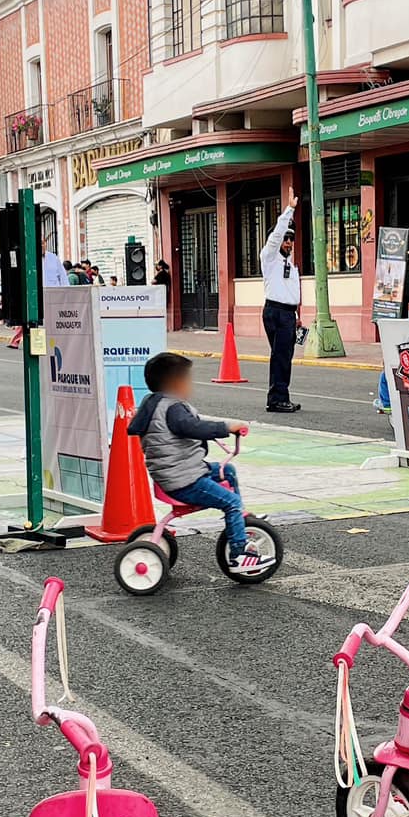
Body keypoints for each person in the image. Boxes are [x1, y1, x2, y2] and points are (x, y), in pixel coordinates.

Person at [128, 352, 263, 572]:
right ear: (176, 384)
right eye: (188, 380)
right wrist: (227, 427)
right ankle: (239, 554)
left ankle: (241, 519)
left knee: (226, 470)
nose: (191, 386)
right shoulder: (173, 408)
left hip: (176, 474)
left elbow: (190, 426)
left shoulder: (153, 404)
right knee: (230, 502)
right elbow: (193, 427)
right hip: (185, 480)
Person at [261, 197, 301, 414]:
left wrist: (297, 316)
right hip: (275, 312)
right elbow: (276, 235)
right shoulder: (269, 257)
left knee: (283, 356)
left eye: (291, 239)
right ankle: (277, 399)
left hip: (288, 314)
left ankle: (279, 397)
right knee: (281, 357)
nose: (288, 242)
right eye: (285, 238)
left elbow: (293, 293)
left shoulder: (290, 264)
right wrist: (290, 210)